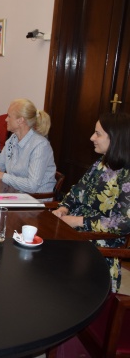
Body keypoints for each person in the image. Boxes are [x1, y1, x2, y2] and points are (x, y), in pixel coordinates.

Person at [52, 112, 130, 292]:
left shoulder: (127, 174)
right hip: (76, 234)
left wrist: (79, 221)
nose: (92, 138)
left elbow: (125, 223)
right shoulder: (102, 163)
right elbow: (76, 192)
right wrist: (64, 209)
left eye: (98, 134)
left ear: (115, 138)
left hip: (99, 243)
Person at [0, 99, 56, 194]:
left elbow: (32, 186)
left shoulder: (40, 145)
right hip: (15, 193)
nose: (6, 119)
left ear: (20, 120)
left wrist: (1, 175)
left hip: (35, 198)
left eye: (9, 116)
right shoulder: (13, 139)